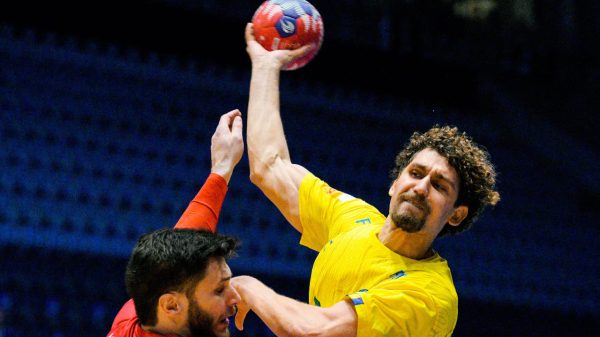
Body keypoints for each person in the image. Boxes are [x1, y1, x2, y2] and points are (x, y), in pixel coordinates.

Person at [230, 23, 501, 337]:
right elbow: (269, 166)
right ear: (394, 184)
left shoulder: (431, 295)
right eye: (415, 173)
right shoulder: (353, 220)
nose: (421, 187)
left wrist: (250, 287)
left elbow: (314, 331)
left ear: (457, 214)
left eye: (440, 186)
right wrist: (266, 65)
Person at [107, 109, 244, 337]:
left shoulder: (141, 312)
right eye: (219, 290)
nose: (236, 299)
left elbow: (185, 244)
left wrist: (222, 168)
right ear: (171, 306)